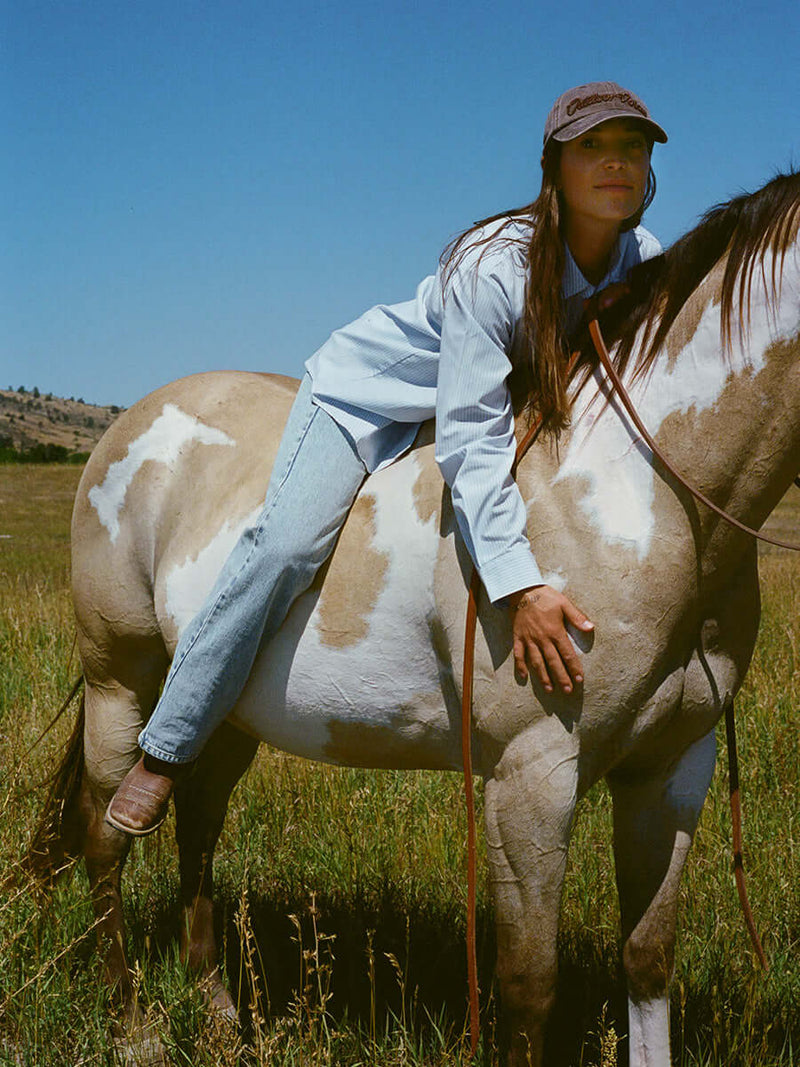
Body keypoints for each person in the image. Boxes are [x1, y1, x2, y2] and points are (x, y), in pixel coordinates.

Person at [106, 81, 667, 836]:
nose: (614, 164)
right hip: (370, 401)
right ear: (554, 167)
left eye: (630, 147)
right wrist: (519, 585)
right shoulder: (494, 264)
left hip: (472, 408)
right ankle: (166, 747)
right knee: (285, 546)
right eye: (591, 146)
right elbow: (472, 434)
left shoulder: (646, 260)